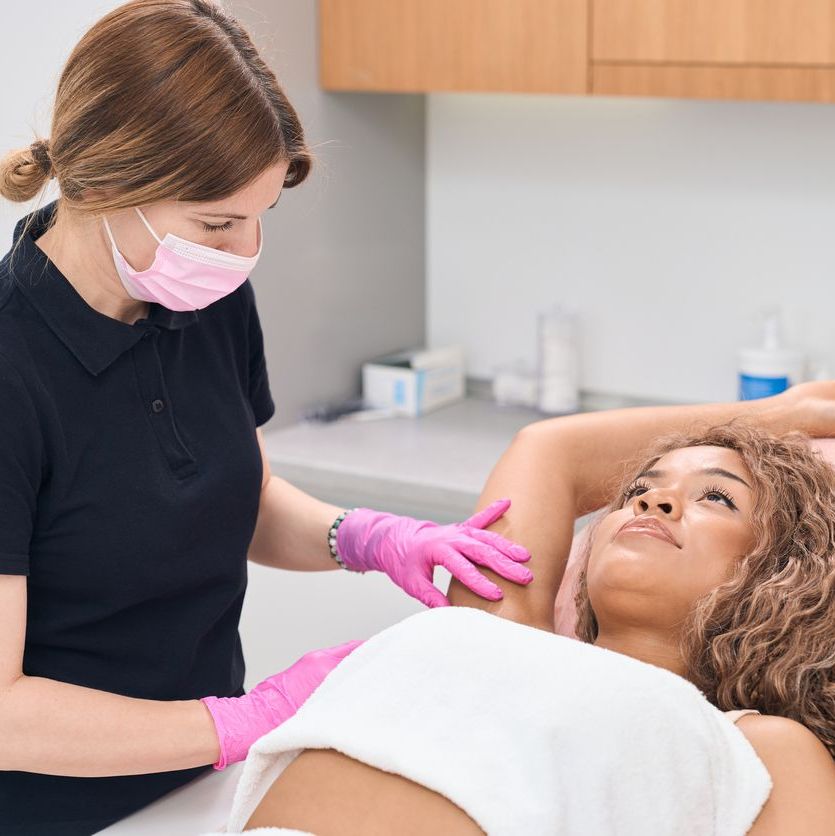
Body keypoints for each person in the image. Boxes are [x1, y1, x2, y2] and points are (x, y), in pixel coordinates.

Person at [0, 2, 533, 833]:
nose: (243, 251)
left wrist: (367, 537)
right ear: (104, 184)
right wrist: (241, 719)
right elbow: (4, 713)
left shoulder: (202, 296)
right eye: (216, 223)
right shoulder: (12, 371)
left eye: (260, 218)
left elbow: (233, 498)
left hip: (207, 789)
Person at [215, 383, 835, 834]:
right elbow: (551, 448)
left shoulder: (759, 745)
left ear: (784, 572)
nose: (655, 504)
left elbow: (557, 448)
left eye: (718, 499)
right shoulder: (503, 624)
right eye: (641, 490)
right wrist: (780, 414)